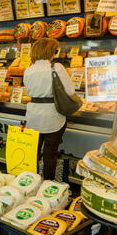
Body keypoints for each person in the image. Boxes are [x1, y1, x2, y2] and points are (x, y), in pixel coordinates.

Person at [23, 38, 75, 180]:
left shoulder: (28, 70)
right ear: (51, 52)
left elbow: (28, 91)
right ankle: (47, 183)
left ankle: (30, 181)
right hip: (54, 116)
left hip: (33, 116)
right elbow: (70, 91)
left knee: (32, 152)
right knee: (50, 155)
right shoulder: (56, 68)